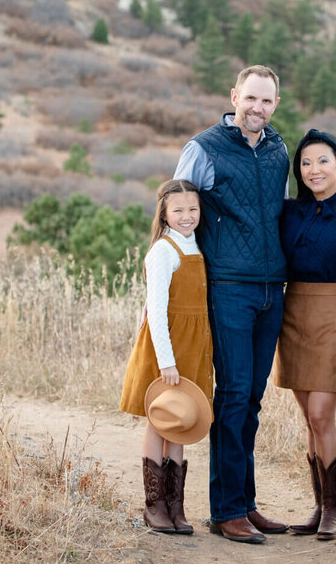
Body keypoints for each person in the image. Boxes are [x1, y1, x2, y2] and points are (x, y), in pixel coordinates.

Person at [174, 64, 290, 545]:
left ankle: (245, 503)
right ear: (233, 96)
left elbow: (280, 212)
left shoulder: (281, 150)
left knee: (254, 400)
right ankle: (224, 511)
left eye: (266, 101)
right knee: (235, 393)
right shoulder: (203, 148)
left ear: (274, 105)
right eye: (250, 98)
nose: (257, 108)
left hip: (271, 289)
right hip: (227, 286)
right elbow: (176, 209)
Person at [275, 129, 336, 541]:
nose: (314, 169)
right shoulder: (288, 211)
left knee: (321, 414)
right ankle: (318, 507)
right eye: (306, 163)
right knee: (307, 418)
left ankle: (335, 509)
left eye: (322, 161)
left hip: (334, 311)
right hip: (292, 311)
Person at [119, 179, 213, 535]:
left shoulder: (196, 245)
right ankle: (154, 505)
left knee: (181, 422)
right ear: (164, 213)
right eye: (178, 210)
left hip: (192, 346)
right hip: (168, 349)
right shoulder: (164, 251)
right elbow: (156, 312)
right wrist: (167, 362)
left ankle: (177, 506)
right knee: (160, 421)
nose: (187, 216)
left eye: (193, 209)